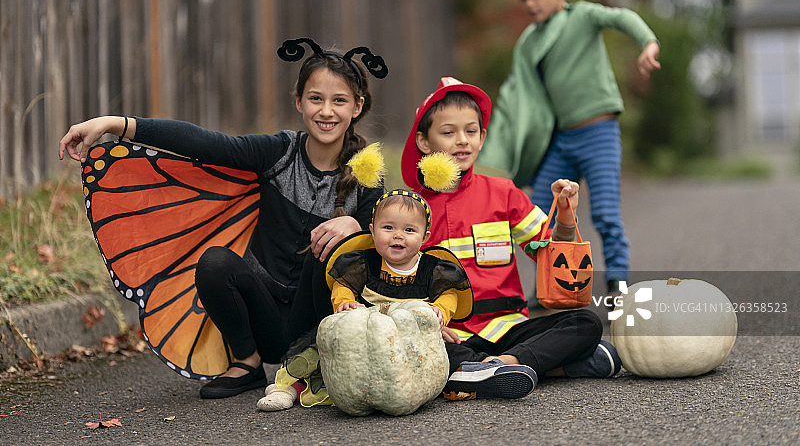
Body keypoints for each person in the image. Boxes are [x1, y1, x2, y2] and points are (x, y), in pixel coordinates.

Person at [58, 37, 387, 399]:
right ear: (298, 101)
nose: (326, 111)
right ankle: (246, 362)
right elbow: (205, 144)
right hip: (263, 316)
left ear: (357, 106)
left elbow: (388, 245)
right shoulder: (278, 152)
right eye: (315, 99)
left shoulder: (367, 173)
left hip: (320, 321)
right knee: (214, 262)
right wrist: (114, 123)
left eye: (339, 100)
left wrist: (358, 226)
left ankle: (317, 364)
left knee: (334, 247)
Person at [401, 77, 621, 401]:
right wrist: (424, 322)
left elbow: (549, 253)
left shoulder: (503, 192)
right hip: (451, 335)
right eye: (448, 132)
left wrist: (564, 215)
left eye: (471, 131)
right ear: (423, 141)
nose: (462, 141)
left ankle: (497, 367)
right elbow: (394, 281)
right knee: (419, 348)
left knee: (586, 323)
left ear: (482, 137)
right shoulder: (409, 209)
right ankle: (552, 367)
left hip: (509, 329)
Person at [478, 0, 661, 298]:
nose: (529, 3)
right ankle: (550, 289)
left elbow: (622, 17)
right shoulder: (530, 42)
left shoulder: (583, 16)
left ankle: (618, 287)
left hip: (598, 134)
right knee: (539, 215)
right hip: (560, 140)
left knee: (605, 213)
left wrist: (648, 43)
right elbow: (520, 96)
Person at [258, 188, 492, 411]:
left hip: (413, 343)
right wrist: (344, 302)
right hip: (364, 343)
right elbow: (343, 285)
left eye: (409, 230)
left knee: (450, 351)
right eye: (388, 227)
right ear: (372, 230)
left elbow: (449, 294)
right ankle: (287, 389)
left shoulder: (433, 268)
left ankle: (484, 369)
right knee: (321, 356)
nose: (398, 235)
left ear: (424, 237)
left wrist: (440, 311)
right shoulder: (362, 263)